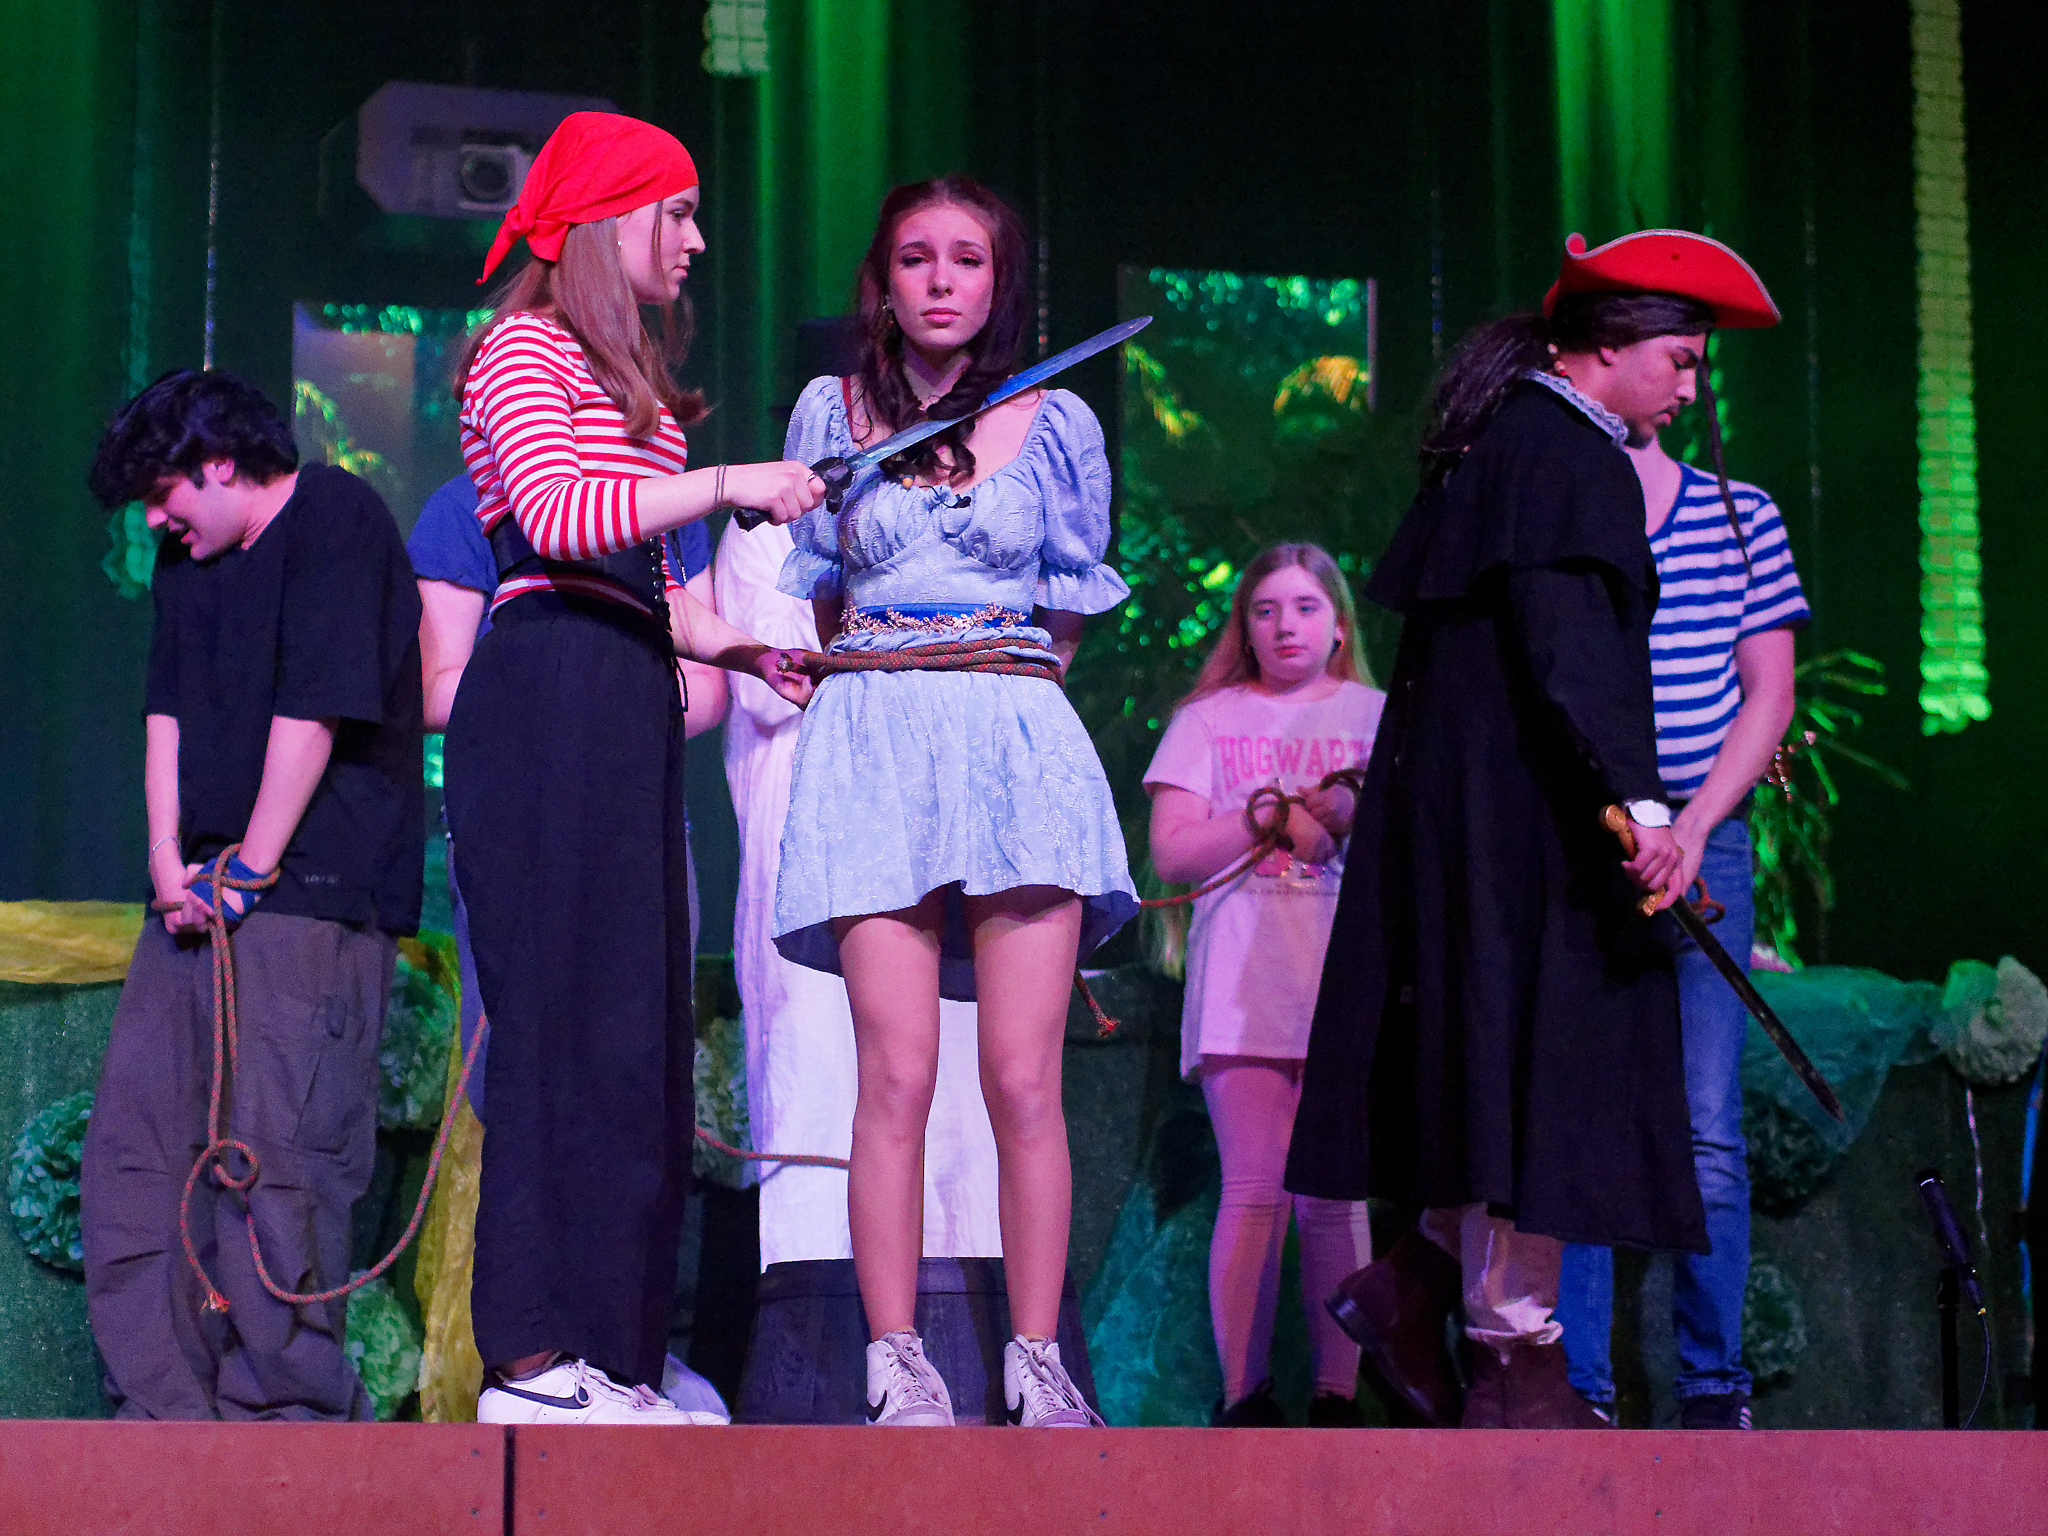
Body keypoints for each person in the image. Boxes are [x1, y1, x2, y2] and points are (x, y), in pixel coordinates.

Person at [1286, 230, 1782, 1429]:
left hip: (1475, 828)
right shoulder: (1569, 458)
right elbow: (1574, 658)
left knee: (1494, 1064)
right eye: (1677, 358)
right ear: (1606, 346)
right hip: (1532, 837)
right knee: (1546, 1071)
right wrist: (1643, 812)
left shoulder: (1499, 440)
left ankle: (1416, 1282)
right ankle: (1516, 1353)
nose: (1688, 385)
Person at [442, 110, 824, 1426]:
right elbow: (560, 519)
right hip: (544, 685)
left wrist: (746, 645)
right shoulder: (522, 349)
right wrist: (729, 482)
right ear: (609, 223)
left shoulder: (634, 388)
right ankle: (530, 1357)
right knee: (554, 1026)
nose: (697, 240)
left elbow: (654, 589)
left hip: (621, 688)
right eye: (677, 212)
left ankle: (613, 1351)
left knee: (631, 1036)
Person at [774, 175, 1136, 1428]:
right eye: (916, 257)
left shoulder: (1056, 421)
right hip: (873, 738)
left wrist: (994, 685)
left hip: (1013, 741)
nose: (940, 279)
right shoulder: (829, 410)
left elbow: (1069, 605)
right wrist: (891, 673)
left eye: (967, 258)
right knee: (896, 1074)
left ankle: (1036, 1359)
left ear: (998, 280)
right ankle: (895, 1359)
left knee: (1024, 1079)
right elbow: (824, 590)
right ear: (882, 280)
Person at [80, 369, 423, 1419]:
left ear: (220, 463)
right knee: (138, 1160)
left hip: (306, 901)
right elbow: (166, 711)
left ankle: (283, 1430)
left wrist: (254, 866)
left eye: (163, 493)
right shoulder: (190, 562)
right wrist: (165, 858)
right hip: (195, 900)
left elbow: (316, 709)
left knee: (279, 1170)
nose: (156, 521)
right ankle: (163, 1420)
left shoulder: (335, 517)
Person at [1552, 416, 1808, 1429]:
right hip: (1585, 842)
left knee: (1706, 1124)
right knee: (1577, 1116)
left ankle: (1712, 1384)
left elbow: (1768, 692)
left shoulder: (1740, 515)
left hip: (1708, 840)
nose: (1677, 376)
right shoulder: (1561, 509)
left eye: (1687, 357)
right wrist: (1623, 817)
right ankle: (1576, 1387)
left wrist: (1692, 826)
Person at [715, 515, 1001, 1276]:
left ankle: (958, 1299)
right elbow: (775, 690)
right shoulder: (762, 534)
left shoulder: (944, 521)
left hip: (929, 838)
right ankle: (821, 1307)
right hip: (809, 851)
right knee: (818, 1080)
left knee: (951, 1087)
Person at [1143, 544, 1385, 1428]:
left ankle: (1337, 1398)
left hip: (1345, 986)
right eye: (1266, 609)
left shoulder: (1378, 716)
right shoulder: (1208, 720)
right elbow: (1171, 851)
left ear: (1340, 624)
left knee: (1334, 1195)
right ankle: (1243, 1397)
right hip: (1240, 987)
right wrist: (1267, 815)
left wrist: (1353, 811)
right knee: (1254, 1187)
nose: (1286, 626)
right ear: (1243, 626)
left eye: (1306, 608)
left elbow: (1421, 845)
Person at [407, 473, 721, 1126]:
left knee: (643, 1089)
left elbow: (707, 690)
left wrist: (595, 688)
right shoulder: (465, 504)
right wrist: (568, 679)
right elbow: (432, 691)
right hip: (514, 835)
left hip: (643, 834)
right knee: (521, 1090)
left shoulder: (668, 502)